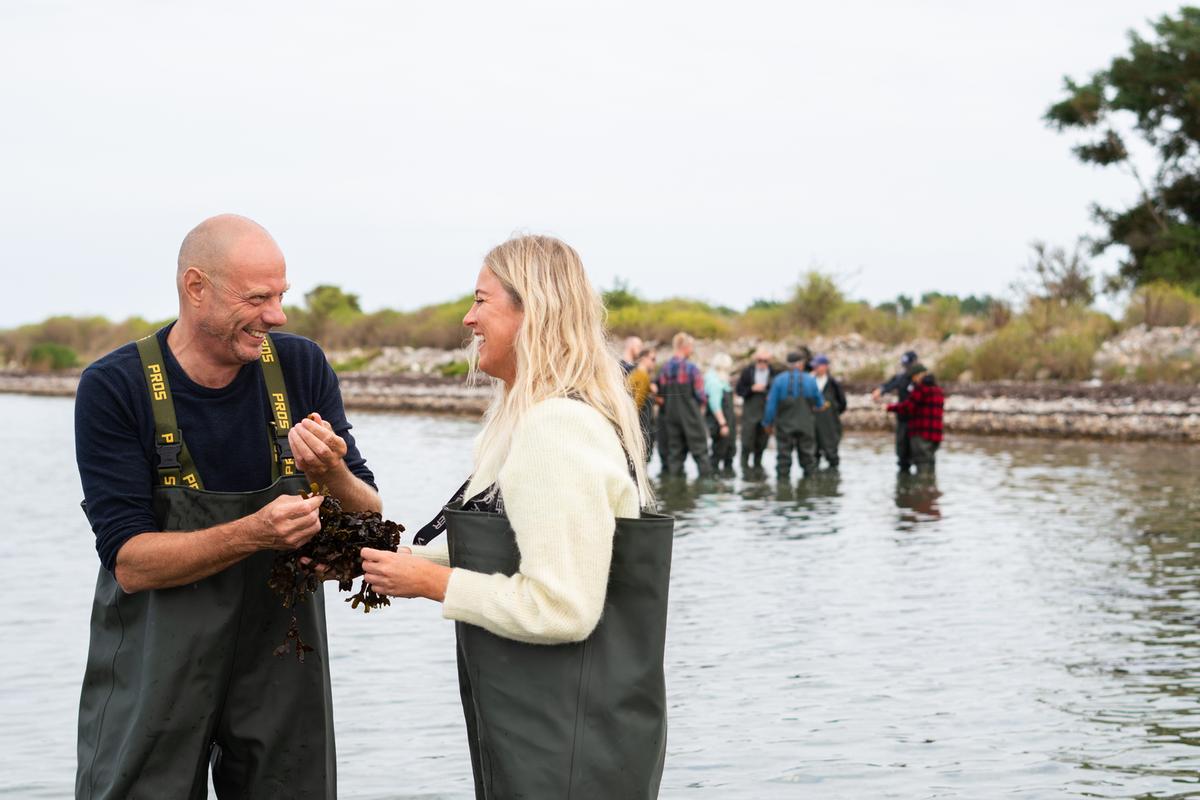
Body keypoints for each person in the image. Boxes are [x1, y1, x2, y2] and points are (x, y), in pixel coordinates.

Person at [74, 214, 380, 799]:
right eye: (258, 298)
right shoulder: (115, 386)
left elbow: (369, 511)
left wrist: (331, 472)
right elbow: (131, 563)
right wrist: (256, 533)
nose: (278, 315)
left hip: (283, 662)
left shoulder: (301, 365)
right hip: (154, 667)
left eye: (281, 296)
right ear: (196, 288)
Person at [359, 235, 673, 800]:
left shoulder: (555, 428)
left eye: (481, 301)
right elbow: (498, 543)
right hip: (557, 733)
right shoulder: (534, 417)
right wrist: (376, 559)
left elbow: (563, 609)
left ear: (532, 311)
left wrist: (430, 583)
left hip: (560, 746)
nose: (468, 317)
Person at [654, 332, 712, 477]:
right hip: (691, 416)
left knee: (675, 455)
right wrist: (704, 404)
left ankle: (675, 492)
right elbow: (701, 395)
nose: (692, 350)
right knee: (701, 453)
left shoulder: (665, 368)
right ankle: (706, 491)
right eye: (691, 346)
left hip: (671, 417)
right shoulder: (691, 369)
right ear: (684, 347)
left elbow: (658, 393)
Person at [762, 350, 826, 481]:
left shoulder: (778, 381)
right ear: (801, 364)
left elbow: (771, 406)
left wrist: (767, 424)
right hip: (806, 426)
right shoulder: (810, 380)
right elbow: (820, 404)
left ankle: (783, 491)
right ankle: (809, 489)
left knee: (783, 458)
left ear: (788, 364)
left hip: (784, 426)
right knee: (808, 458)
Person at [886, 364, 944, 474]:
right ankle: (931, 488)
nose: (914, 381)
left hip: (922, 434)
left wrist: (889, 407)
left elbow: (908, 407)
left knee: (922, 465)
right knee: (930, 464)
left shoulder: (921, 389)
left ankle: (921, 489)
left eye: (914, 378)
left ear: (919, 376)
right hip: (936, 436)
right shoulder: (938, 389)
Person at [735, 347, 780, 476]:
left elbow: (777, 391)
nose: (762, 363)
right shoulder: (747, 372)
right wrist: (751, 389)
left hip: (766, 411)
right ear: (756, 360)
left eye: (765, 361)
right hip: (750, 411)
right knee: (746, 440)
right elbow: (739, 391)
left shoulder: (774, 373)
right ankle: (744, 468)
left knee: (762, 440)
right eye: (759, 360)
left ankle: (758, 466)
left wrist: (767, 392)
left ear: (769, 361)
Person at [873, 349, 920, 471]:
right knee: (902, 452)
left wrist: (889, 407)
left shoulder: (921, 380)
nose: (907, 368)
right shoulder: (901, 377)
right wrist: (880, 391)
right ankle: (903, 473)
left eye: (909, 365)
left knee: (918, 453)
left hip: (917, 422)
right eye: (905, 365)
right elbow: (889, 384)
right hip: (903, 419)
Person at [811, 354, 847, 469]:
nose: (815, 368)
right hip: (812, 423)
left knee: (832, 454)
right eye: (814, 366)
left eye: (818, 366)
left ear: (825, 366)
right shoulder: (809, 381)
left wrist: (832, 413)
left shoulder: (833, 383)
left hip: (830, 425)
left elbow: (842, 403)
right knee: (812, 454)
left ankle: (832, 482)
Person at [704, 352, 736, 475]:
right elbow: (714, 404)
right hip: (720, 425)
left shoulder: (722, 381)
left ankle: (727, 483)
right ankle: (714, 482)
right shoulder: (714, 382)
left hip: (728, 423)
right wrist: (723, 424)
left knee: (730, 451)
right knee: (718, 453)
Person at [628, 347, 658, 461]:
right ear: (644, 358)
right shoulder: (643, 376)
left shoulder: (634, 374)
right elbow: (637, 403)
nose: (654, 363)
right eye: (653, 359)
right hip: (640, 425)